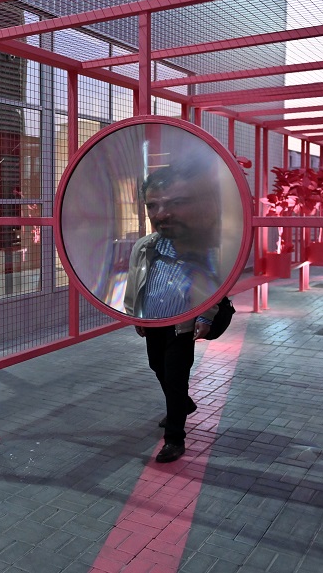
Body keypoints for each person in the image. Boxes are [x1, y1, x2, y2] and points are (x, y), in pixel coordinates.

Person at [124, 160, 222, 463]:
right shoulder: (146, 246)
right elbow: (135, 280)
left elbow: (214, 286)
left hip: (182, 326)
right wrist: (135, 314)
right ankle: (182, 404)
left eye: (174, 203)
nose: (161, 214)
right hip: (153, 321)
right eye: (152, 206)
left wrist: (205, 317)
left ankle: (175, 439)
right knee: (158, 367)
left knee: (176, 376)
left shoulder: (205, 248)